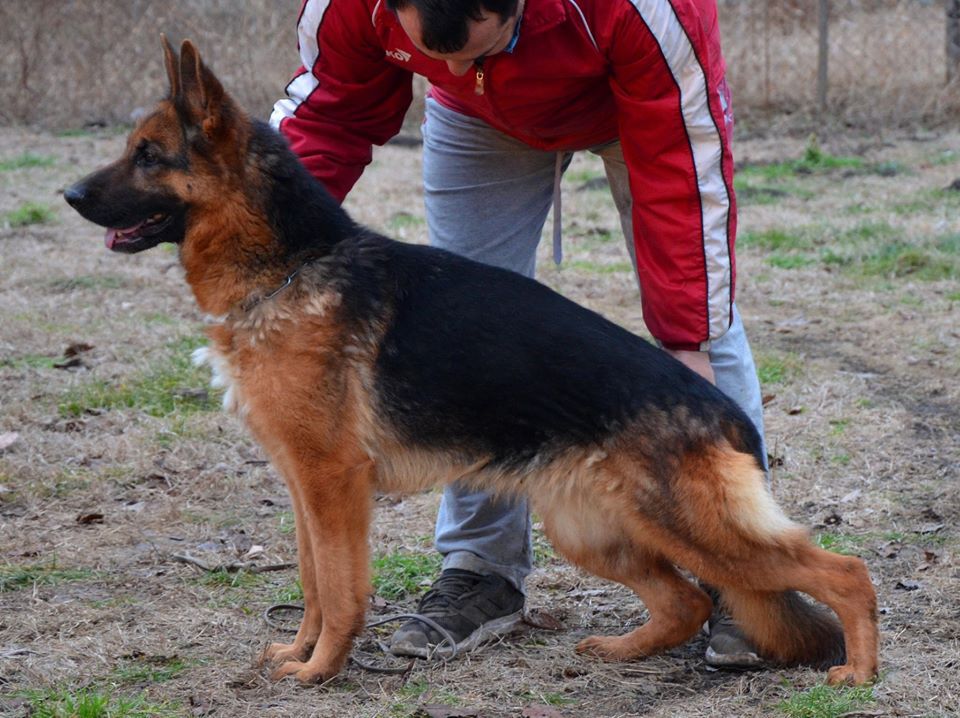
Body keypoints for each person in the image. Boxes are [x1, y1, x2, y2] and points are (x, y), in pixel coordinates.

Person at [271, 0, 767, 668]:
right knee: (461, 338)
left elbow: (685, 173)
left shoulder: (643, 11)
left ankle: (747, 579)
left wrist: (687, 341)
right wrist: (257, 242)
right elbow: (331, 111)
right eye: (433, 55)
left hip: (639, 110)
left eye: (477, 50)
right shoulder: (348, 8)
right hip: (475, 121)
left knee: (704, 332)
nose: (449, 66)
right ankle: (482, 569)